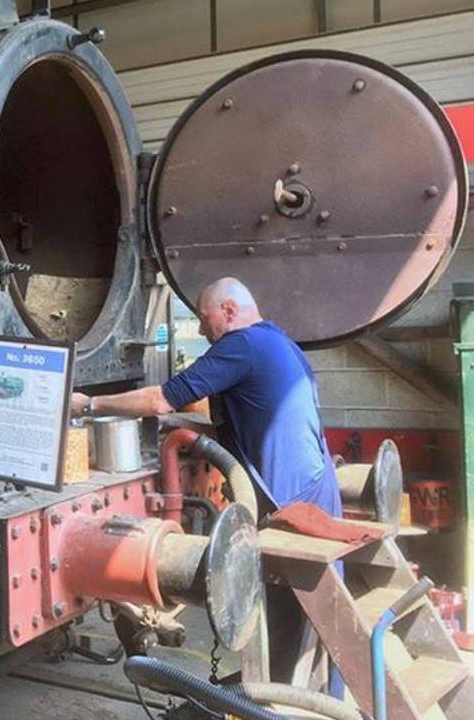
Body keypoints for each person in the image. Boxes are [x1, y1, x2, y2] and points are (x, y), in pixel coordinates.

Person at [69, 276, 342, 683]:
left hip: (295, 502)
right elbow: (253, 421)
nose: (199, 329)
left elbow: (161, 396)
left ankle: (282, 702)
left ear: (229, 312)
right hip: (317, 490)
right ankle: (285, 695)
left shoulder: (241, 345)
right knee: (307, 622)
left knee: (298, 617)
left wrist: (89, 404)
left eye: (203, 317)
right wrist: (182, 426)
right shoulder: (276, 340)